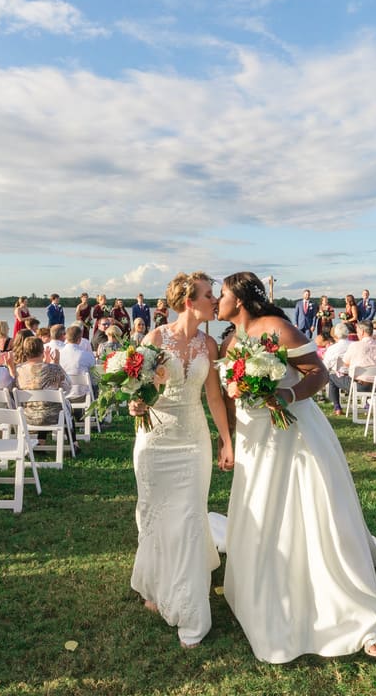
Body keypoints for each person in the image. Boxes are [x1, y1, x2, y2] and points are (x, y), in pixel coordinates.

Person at [217, 272, 376, 662]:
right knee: (260, 506)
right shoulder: (230, 342)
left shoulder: (277, 329)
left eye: (223, 293)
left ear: (240, 301)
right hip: (253, 437)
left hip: (291, 432)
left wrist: (286, 393)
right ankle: (262, 583)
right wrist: (226, 436)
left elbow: (319, 373)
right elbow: (230, 393)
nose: (218, 299)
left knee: (310, 507)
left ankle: (347, 606)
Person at [128, 272, 233, 648]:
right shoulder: (155, 338)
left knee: (189, 516)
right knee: (154, 515)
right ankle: (156, 586)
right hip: (154, 439)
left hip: (193, 440)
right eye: (209, 295)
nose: (215, 301)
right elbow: (140, 389)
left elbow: (215, 398)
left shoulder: (210, 345)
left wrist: (225, 440)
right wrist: (135, 402)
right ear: (189, 301)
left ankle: (191, 612)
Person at [321, 323, 353, 415]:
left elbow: (325, 366)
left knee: (331, 376)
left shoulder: (332, 348)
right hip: (359, 377)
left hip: (345, 378)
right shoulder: (355, 345)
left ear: (335, 335)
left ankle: (337, 407)